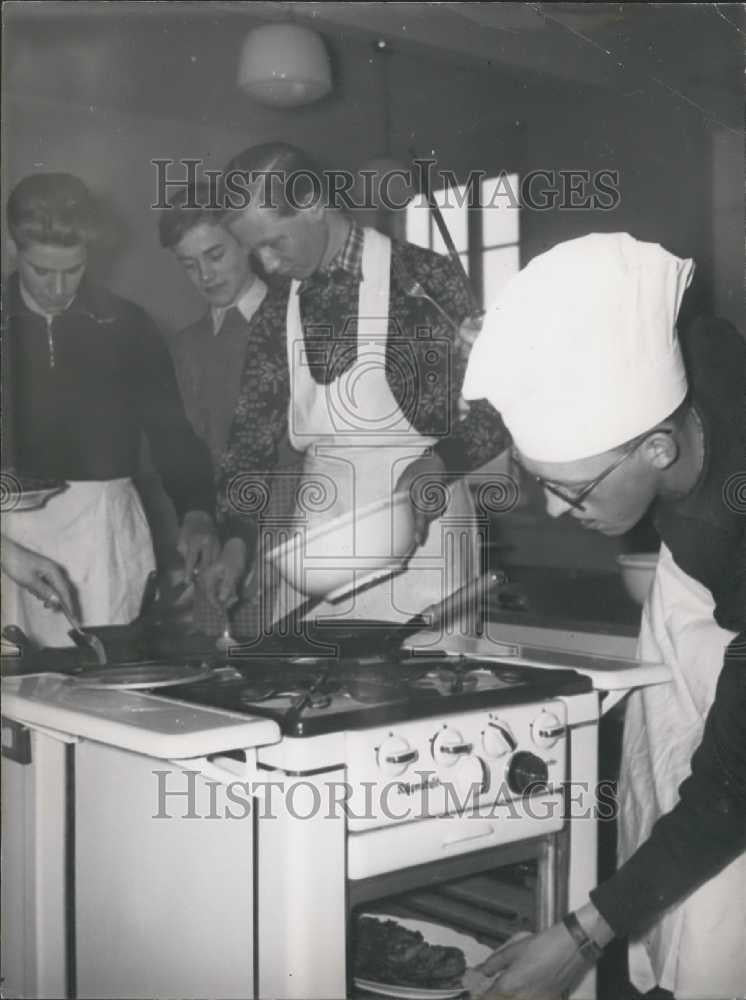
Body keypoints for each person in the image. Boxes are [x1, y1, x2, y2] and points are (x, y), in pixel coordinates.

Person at [460, 233, 745, 999]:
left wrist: (581, 937)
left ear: (656, 448)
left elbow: (733, 785)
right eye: (541, 483)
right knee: (662, 795)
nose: (556, 510)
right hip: (703, 582)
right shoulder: (699, 359)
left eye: (573, 489)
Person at [215, 142, 509, 626]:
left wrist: (442, 462)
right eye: (254, 251)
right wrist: (234, 537)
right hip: (320, 541)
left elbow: (498, 409)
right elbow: (250, 434)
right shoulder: (276, 310)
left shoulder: (423, 280)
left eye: (274, 242)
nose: (266, 264)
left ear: (312, 204)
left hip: (424, 527)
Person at [2, 172, 219, 646]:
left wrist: (198, 509)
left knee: (98, 682)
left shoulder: (126, 324)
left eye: (74, 269)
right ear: (12, 248)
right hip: (6, 538)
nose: (59, 288)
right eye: (43, 271)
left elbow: (171, 435)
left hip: (101, 534)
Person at [158, 183, 292, 631]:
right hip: (218, 538)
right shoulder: (186, 345)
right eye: (189, 265)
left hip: (293, 528)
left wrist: (256, 543)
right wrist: (196, 518)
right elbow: (189, 451)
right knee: (222, 672)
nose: (205, 276)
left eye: (215, 256)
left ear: (246, 244)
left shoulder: (295, 319)